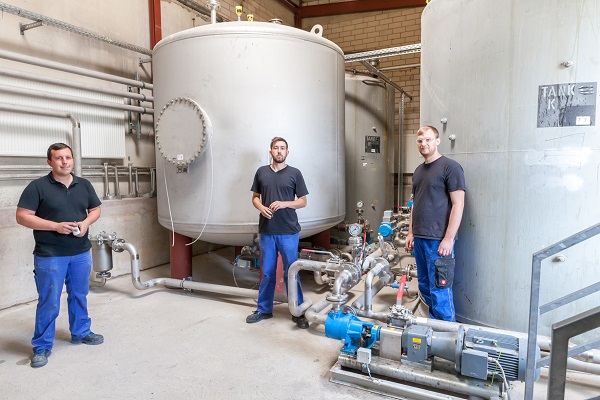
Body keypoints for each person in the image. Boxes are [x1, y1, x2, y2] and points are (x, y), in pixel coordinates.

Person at [16, 143, 103, 368]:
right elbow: (22, 216)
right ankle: (42, 346)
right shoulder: (37, 187)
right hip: (50, 254)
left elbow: (95, 209)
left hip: (80, 252)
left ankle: (81, 332)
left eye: (68, 157)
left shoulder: (83, 185)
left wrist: (85, 223)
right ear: (50, 162)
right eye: (58, 158)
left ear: (73, 160)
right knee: (49, 301)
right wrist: (54, 226)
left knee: (79, 294)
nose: (64, 162)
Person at [246, 137, 310, 329]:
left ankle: (297, 311)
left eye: (283, 148)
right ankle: (264, 309)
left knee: (291, 271)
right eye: (276, 148)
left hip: (288, 231)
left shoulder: (295, 173)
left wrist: (285, 203)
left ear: (287, 152)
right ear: (271, 151)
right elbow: (255, 198)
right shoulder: (261, 172)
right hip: (267, 230)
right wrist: (261, 207)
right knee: (267, 272)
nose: (279, 151)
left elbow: (303, 201)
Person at [405, 126, 466, 322]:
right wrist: (410, 233)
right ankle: (434, 333)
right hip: (421, 239)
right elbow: (415, 204)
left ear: (437, 141)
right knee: (424, 286)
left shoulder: (451, 167)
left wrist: (448, 239)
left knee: (440, 290)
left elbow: (458, 204)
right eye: (420, 141)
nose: (424, 144)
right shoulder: (418, 170)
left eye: (428, 140)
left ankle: (448, 338)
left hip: (438, 241)